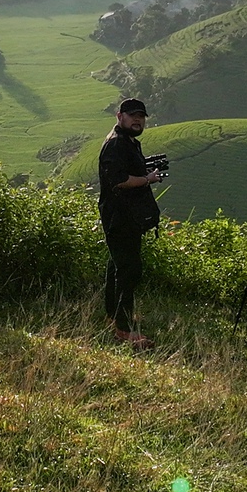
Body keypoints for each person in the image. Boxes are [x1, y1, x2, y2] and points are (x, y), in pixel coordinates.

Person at [98, 97, 160, 347]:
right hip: (119, 215)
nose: (137, 119)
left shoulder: (127, 142)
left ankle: (114, 317)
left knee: (117, 266)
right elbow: (119, 180)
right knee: (129, 270)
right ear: (119, 115)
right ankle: (123, 329)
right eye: (132, 115)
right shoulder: (116, 145)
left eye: (141, 116)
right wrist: (148, 179)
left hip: (125, 215)